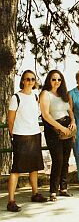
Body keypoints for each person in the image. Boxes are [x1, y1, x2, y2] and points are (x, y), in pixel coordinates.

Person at [6, 70, 47, 212]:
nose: (30, 82)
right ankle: (11, 201)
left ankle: (35, 193)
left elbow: (38, 114)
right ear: (22, 80)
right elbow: (10, 120)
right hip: (20, 136)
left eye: (32, 79)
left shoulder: (36, 96)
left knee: (34, 167)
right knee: (16, 169)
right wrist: (13, 136)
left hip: (34, 134)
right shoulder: (16, 97)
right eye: (27, 79)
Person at [40, 70, 76, 201]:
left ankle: (64, 188)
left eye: (59, 79)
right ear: (49, 80)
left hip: (67, 127)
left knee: (66, 159)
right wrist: (61, 128)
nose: (56, 82)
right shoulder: (45, 94)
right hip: (53, 129)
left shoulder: (64, 94)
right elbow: (45, 115)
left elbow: (69, 110)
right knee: (57, 160)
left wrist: (73, 122)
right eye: (54, 79)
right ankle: (53, 191)